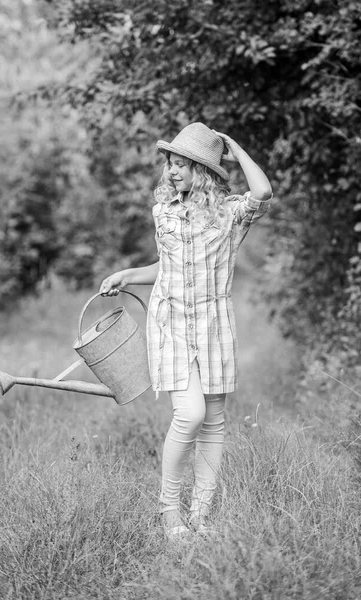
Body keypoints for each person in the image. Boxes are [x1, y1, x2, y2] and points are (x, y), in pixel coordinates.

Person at [99, 122, 272, 540]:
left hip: (213, 325)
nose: (173, 171)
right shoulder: (164, 212)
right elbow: (167, 269)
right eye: (171, 163)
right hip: (171, 323)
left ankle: (201, 516)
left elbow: (263, 192)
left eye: (183, 164)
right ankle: (169, 513)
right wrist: (128, 274)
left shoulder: (230, 213)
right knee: (190, 413)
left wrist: (231, 146)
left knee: (213, 422)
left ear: (204, 170)